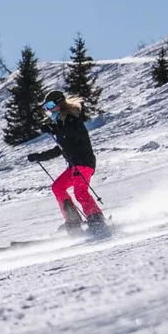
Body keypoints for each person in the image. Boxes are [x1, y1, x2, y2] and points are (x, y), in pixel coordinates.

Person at [27, 89, 108, 236]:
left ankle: (97, 221)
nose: (49, 109)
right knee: (58, 187)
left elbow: (70, 136)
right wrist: (39, 157)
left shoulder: (71, 119)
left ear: (59, 103)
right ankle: (73, 221)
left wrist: (54, 130)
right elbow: (61, 148)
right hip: (74, 165)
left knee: (80, 191)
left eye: (51, 105)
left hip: (83, 162)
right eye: (46, 107)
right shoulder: (62, 123)